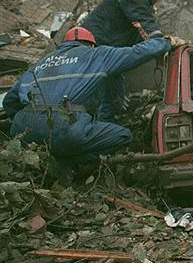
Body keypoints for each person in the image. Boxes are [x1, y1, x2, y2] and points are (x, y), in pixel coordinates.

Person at [2, 26, 173, 184]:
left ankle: (51, 161)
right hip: (63, 125)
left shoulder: (39, 64)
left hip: (23, 127)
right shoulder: (97, 55)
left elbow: (10, 101)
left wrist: (25, 124)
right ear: (91, 45)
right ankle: (72, 164)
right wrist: (166, 42)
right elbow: (137, 52)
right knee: (123, 135)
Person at [82, 0, 169, 48]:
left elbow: (139, 33)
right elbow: (144, 22)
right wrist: (162, 43)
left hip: (100, 39)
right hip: (95, 41)